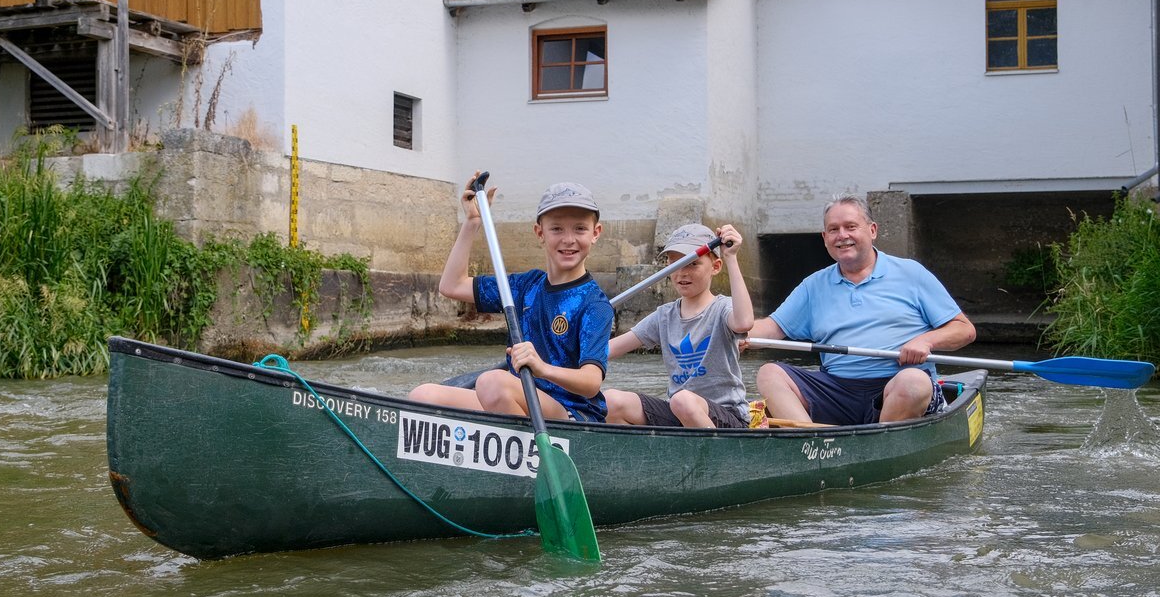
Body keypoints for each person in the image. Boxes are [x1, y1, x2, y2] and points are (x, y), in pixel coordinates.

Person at [748, 193, 976, 425]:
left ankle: (881, 444)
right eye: (834, 229)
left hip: (898, 383)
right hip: (837, 389)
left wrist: (927, 341)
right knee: (770, 374)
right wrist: (730, 332)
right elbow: (771, 328)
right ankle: (812, 441)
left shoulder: (912, 274)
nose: (842, 236)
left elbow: (964, 330)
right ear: (825, 238)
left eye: (851, 226)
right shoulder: (813, 286)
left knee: (913, 383)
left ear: (872, 230)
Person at [408, 173, 614, 421]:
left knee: (492, 383)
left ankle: (530, 454)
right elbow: (452, 285)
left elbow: (591, 382)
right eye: (556, 229)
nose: (568, 239)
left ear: (595, 233)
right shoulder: (524, 286)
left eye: (580, 229)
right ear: (540, 233)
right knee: (423, 396)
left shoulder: (595, 304)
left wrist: (542, 368)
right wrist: (473, 221)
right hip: (515, 400)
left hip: (572, 414)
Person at [603, 223, 754, 428]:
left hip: (727, 416)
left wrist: (731, 257)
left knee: (683, 400)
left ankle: (717, 456)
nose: (682, 273)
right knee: (611, 401)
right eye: (675, 264)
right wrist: (558, 357)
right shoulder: (664, 315)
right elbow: (607, 350)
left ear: (715, 267)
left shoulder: (723, 308)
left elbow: (744, 322)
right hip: (678, 413)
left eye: (692, 264)